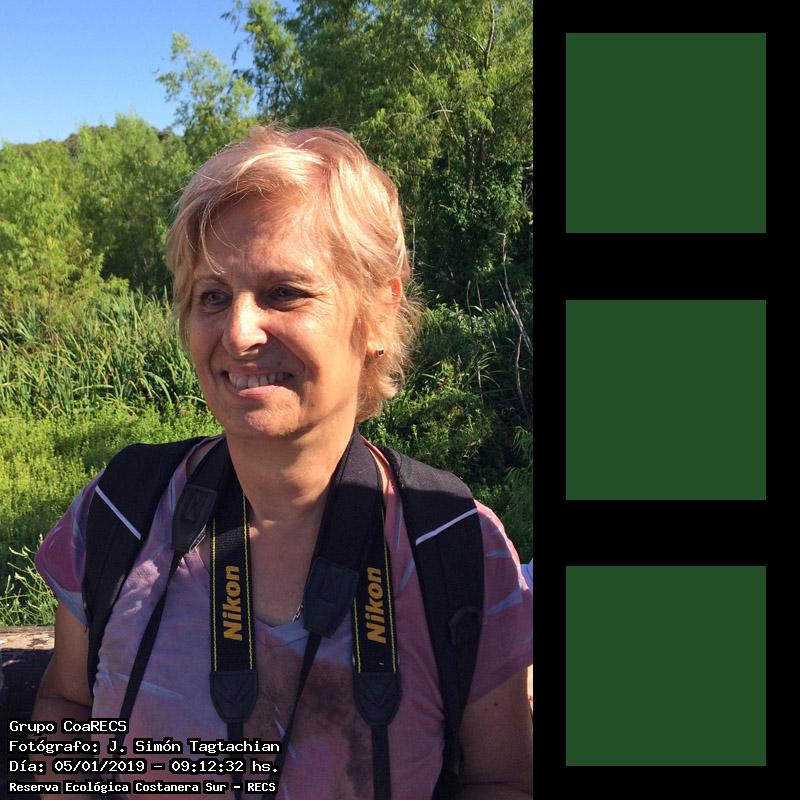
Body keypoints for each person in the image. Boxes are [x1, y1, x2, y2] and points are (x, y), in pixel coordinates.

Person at [32, 126, 533, 799]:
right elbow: (64, 704)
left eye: (285, 292)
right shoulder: (120, 511)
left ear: (378, 312)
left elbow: (503, 779)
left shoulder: (455, 548)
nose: (239, 332)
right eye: (212, 296)